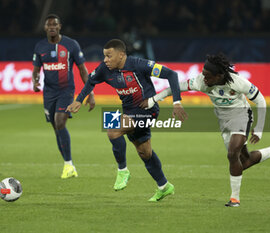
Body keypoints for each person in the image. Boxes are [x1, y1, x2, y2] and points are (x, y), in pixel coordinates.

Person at [141, 53, 270, 207]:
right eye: (203, 74)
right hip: (224, 121)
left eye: (208, 76)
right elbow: (174, 88)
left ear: (219, 75)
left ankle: (234, 199)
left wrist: (259, 128)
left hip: (241, 115)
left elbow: (261, 100)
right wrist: (153, 99)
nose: (204, 78)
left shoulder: (238, 82)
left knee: (232, 154)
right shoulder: (201, 81)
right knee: (243, 162)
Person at [67, 39, 187, 201]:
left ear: (121, 55)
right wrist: (79, 100)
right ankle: (164, 186)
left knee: (113, 129)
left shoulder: (139, 64)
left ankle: (123, 171)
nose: (105, 60)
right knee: (145, 153)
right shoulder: (105, 69)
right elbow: (90, 81)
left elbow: (171, 74)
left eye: (109, 56)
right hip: (129, 112)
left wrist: (177, 102)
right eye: (104, 56)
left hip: (147, 110)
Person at [32, 14, 95, 179]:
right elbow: (36, 70)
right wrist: (35, 82)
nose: (52, 27)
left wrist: (90, 93)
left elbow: (82, 70)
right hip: (49, 93)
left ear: (60, 27)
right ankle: (69, 165)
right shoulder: (40, 47)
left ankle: (68, 164)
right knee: (56, 129)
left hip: (66, 91)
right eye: (49, 25)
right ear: (45, 28)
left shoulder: (71, 45)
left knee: (60, 122)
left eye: (55, 24)